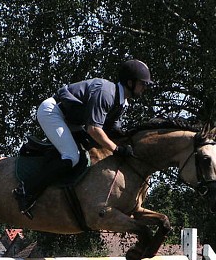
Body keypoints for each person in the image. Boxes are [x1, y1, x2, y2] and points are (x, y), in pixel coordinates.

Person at [13, 59, 154, 217]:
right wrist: (116, 149)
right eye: (143, 84)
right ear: (130, 82)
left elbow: (113, 130)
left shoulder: (122, 102)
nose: (145, 88)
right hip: (53, 112)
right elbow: (93, 129)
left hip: (71, 120)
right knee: (71, 156)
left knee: (89, 148)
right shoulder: (106, 93)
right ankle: (26, 191)